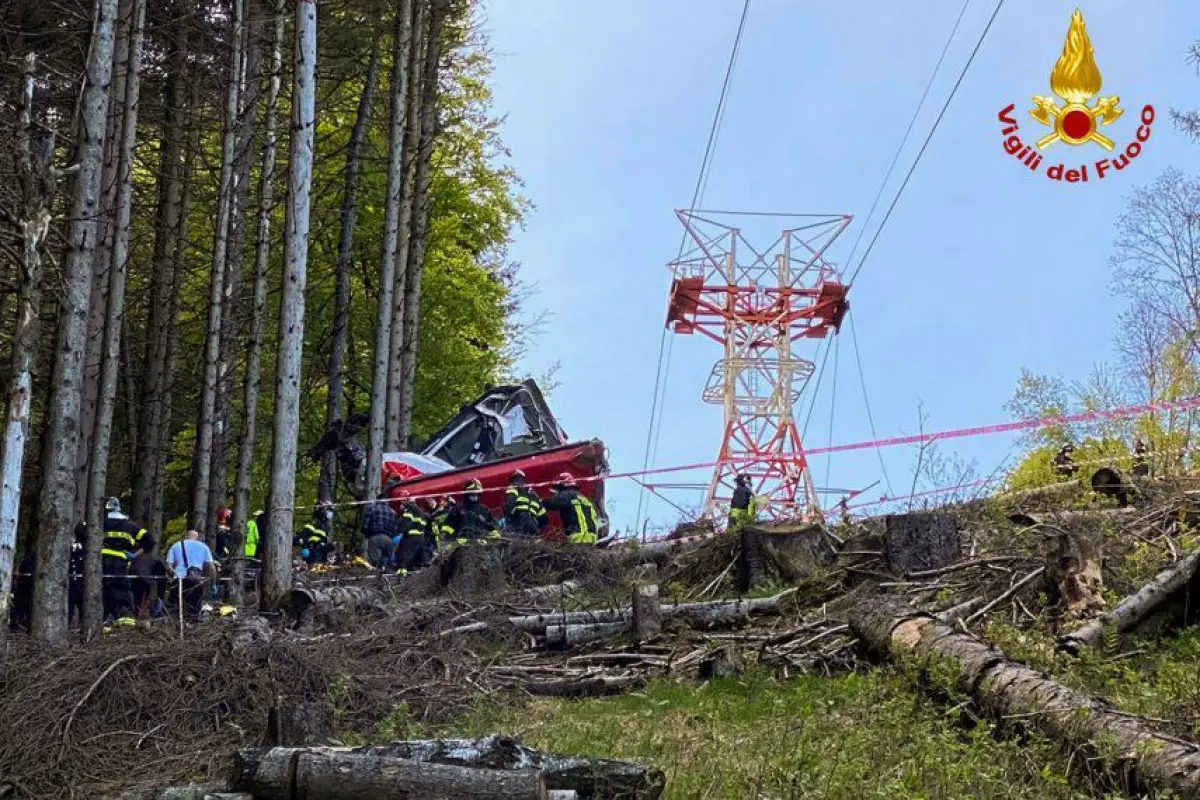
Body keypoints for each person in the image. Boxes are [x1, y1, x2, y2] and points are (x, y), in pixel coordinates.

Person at [102, 497, 146, 626]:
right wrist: (134, 555)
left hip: (102, 562)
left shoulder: (100, 523)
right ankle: (124, 619)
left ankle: (108, 619)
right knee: (121, 589)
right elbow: (149, 542)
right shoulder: (131, 525)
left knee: (104, 590)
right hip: (122, 563)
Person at [166, 530, 215, 620]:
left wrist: (171, 576)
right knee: (193, 607)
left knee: (174, 606)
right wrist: (213, 582)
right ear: (197, 538)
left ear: (186, 536)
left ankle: (174, 625)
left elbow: (169, 565)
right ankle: (191, 626)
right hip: (195, 581)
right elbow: (211, 566)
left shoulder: (176, 545)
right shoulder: (204, 547)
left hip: (179, 580)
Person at [543, 473, 600, 545]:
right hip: (591, 539)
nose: (556, 493)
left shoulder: (567, 494)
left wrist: (538, 501)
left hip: (578, 538)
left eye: (557, 490)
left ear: (562, 485)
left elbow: (552, 503)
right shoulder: (584, 498)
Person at [447, 480, 498, 545]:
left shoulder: (484, 509)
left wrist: (495, 531)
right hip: (462, 546)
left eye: (476, 494)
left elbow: (490, 524)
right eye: (472, 494)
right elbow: (447, 526)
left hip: (482, 544)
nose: (475, 496)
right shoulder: (458, 509)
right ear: (466, 494)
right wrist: (455, 537)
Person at [394, 491, 434, 571]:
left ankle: (401, 575)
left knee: (404, 558)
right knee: (418, 559)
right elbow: (429, 528)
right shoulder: (423, 514)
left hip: (410, 537)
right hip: (421, 538)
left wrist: (400, 531)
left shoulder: (409, 511)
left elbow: (406, 523)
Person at [130, 535, 167, 621]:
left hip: (134, 580)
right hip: (143, 580)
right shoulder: (154, 559)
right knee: (140, 600)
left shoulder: (134, 558)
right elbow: (161, 578)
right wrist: (161, 595)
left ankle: (135, 615)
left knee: (135, 599)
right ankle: (137, 616)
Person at [503, 470, 546, 539]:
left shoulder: (533, 496)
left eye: (520, 480)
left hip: (529, 525)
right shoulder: (513, 493)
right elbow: (508, 509)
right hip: (521, 525)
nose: (517, 483)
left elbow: (544, 517)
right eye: (515, 481)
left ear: (524, 481)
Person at [361, 499, 402, 569]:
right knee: (385, 562)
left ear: (377, 500)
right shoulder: (393, 512)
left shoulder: (371, 509)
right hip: (389, 540)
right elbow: (396, 529)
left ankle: (376, 576)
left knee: (375, 562)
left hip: (375, 537)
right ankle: (383, 573)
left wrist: (367, 535)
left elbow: (365, 526)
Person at [69, 522, 86, 624]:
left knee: (84, 610)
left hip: (83, 584)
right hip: (71, 584)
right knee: (69, 609)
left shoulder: (92, 550)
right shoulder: (71, 547)